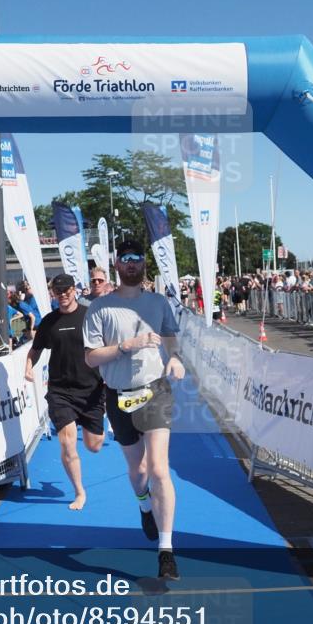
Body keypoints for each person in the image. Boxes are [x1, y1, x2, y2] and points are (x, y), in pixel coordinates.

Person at [83, 240, 186, 580]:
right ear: (116, 265)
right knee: (138, 471)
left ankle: (166, 552)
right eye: (125, 259)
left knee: (158, 468)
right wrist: (126, 346)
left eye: (136, 259)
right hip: (118, 395)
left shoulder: (158, 302)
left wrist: (175, 359)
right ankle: (144, 505)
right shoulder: (100, 308)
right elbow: (91, 357)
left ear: (144, 264)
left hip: (155, 390)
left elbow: (171, 338)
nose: (131, 264)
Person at [25, 274, 106, 510]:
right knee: (67, 442)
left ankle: (93, 429)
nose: (62, 295)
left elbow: (106, 346)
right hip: (61, 391)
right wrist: (28, 367)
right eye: (57, 291)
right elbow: (36, 349)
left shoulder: (90, 316)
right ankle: (79, 492)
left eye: (66, 290)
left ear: (74, 290)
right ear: (53, 293)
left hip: (91, 390)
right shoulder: (49, 321)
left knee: (94, 445)